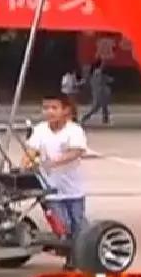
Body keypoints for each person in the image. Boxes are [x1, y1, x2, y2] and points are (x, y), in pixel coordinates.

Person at [23, 93, 89, 241]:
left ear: (66, 110)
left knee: (79, 224)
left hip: (73, 189)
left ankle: (83, 248)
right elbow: (31, 151)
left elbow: (76, 152)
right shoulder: (40, 129)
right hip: (50, 189)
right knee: (62, 225)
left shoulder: (74, 130)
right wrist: (26, 164)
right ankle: (66, 249)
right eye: (46, 108)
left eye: (54, 108)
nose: (49, 111)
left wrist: (53, 162)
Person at [81, 59, 114, 126]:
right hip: (99, 92)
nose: (104, 65)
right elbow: (104, 80)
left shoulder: (96, 73)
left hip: (99, 92)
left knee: (104, 105)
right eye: (102, 64)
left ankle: (105, 119)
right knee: (96, 108)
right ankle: (84, 118)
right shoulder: (98, 73)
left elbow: (103, 80)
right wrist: (109, 79)